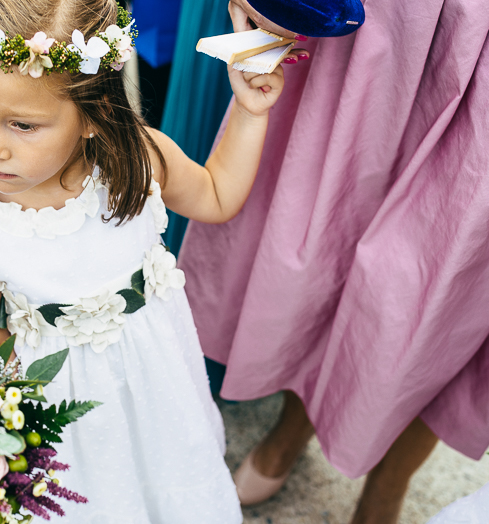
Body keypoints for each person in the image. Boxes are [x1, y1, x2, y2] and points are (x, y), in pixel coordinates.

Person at [0, 0, 285, 520]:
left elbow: (218, 196)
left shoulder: (139, 159)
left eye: (22, 125)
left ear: (95, 114)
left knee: (171, 481)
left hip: (159, 384)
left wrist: (250, 111)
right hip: (65, 414)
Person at [178, 0, 489, 523]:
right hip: (392, 16)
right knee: (331, 228)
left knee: (448, 297)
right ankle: (294, 422)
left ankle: (389, 484)